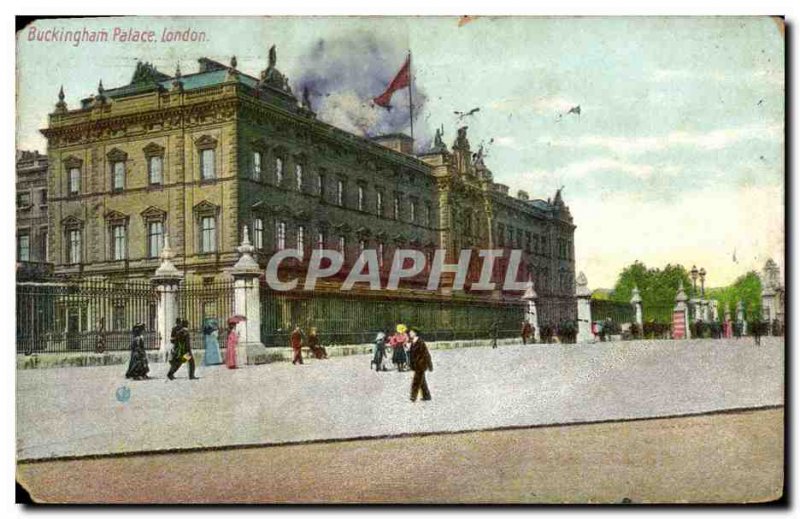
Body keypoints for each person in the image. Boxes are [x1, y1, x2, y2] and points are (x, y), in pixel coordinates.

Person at [408, 328, 433, 402]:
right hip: (417, 365)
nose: (410, 333)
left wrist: (429, 365)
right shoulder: (413, 342)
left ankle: (413, 396)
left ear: (415, 333)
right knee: (422, 381)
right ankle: (426, 395)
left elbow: (426, 354)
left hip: (420, 365)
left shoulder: (420, 342)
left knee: (416, 381)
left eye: (411, 332)